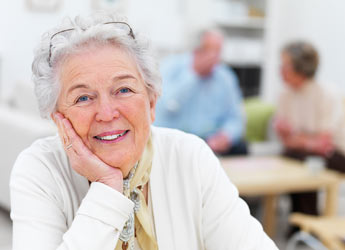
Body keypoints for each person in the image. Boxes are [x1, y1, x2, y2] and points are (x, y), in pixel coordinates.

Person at [10, 13, 278, 250]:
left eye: (123, 90)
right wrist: (107, 189)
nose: (107, 113)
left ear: (151, 103)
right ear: (59, 118)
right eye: (83, 98)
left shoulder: (190, 156)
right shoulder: (39, 169)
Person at [275, 41, 345, 235]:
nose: (280, 70)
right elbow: (286, 139)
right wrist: (304, 139)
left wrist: (298, 138)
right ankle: (301, 220)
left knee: (303, 160)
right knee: (290, 156)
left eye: (285, 65)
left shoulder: (327, 93)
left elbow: (324, 143)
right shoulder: (285, 95)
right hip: (304, 152)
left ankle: (308, 221)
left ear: (301, 68)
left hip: (337, 154)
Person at [154, 30, 247, 156]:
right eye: (209, 51)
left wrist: (226, 135)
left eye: (218, 52)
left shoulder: (225, 77)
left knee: (242, 147)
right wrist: (193, 76)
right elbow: (166, 107)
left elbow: (235, 118)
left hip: (210, 141)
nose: (214, 58)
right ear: (196, 51)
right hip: (176, 140)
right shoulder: (171, 67)